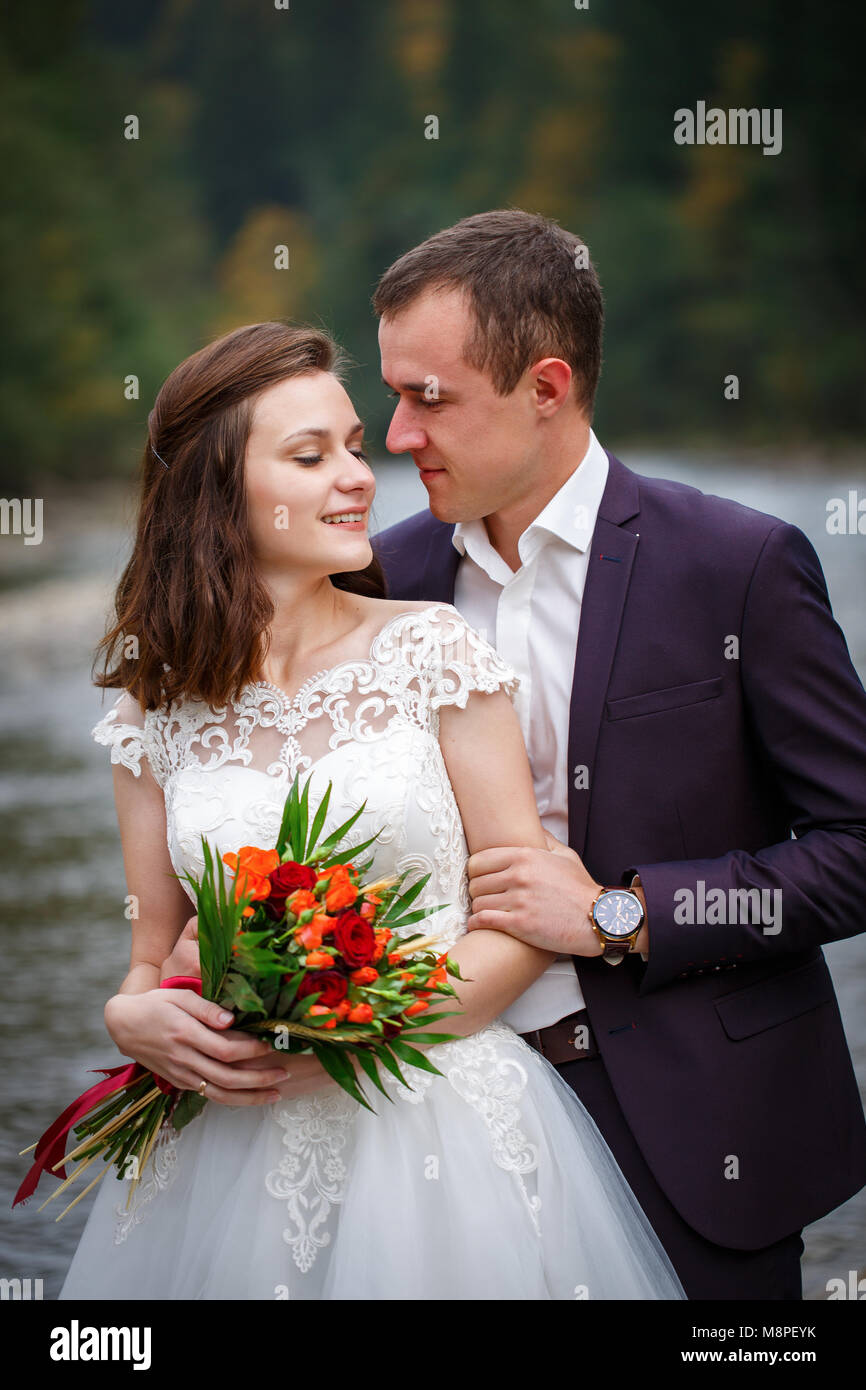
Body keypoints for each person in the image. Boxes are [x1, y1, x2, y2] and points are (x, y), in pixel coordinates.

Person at [57, 320, 685, 1300]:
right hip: (223, 1144)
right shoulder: (153, 702)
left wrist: (360, 1030)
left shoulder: (431, 651)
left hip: (431, 1122)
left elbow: (520, 921)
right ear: (214, 488)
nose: (357, 475)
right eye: (310, 456)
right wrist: (129, 1013)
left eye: (352, 446)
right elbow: (156, 949)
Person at [371, 208, 866, 1301]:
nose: (396, 435)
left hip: (697, 1136)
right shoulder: (378, 582)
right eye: (393, 394)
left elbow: (854, 846)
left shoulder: (735, 565)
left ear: (546, 387)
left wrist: (621, 912)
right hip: (428, 1137)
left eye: (429, 398)